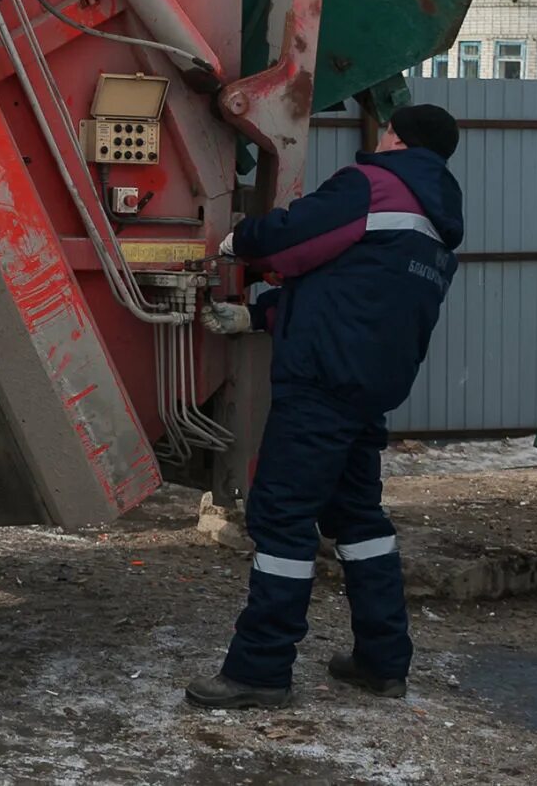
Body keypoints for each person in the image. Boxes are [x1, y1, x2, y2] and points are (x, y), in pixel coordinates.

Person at [186, 102, 464, 710]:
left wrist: (237, 240)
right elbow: (353, 294)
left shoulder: (374, 185)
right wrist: (257, 315)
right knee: (360, 523)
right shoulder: (436, 223)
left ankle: (259, 669)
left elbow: (296, 236)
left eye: (386, 128)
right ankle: (382, 661)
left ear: (396, 136)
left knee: (282, 520)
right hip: (365, 393)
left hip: (320, 388)